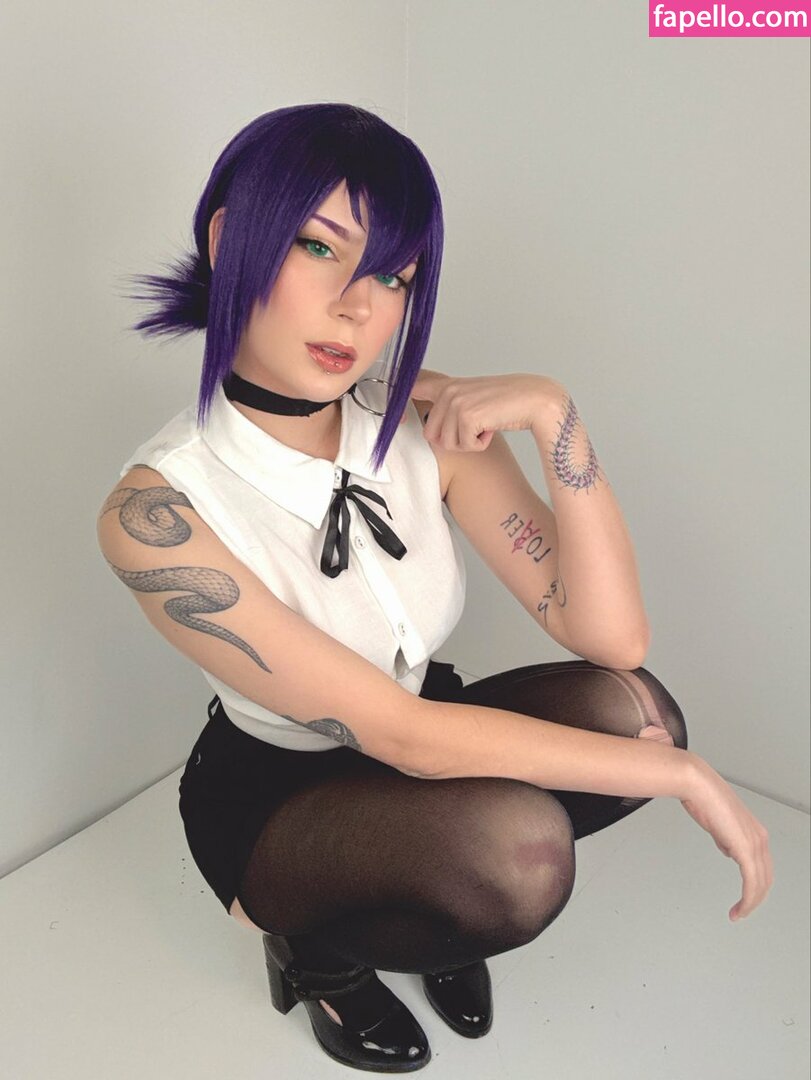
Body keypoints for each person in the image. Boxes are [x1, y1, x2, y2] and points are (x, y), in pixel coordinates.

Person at [96, 103, 773, 1073]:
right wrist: (686, 777)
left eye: (393, 276)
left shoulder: (413, 419)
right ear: (227, 237)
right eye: (317, 247)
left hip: (423, 729)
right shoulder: (156, 512)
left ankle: (427, 907)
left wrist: (555, 415)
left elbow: (611, 640)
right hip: (282, 796)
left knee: (636, 713)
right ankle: (323, 954)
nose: (358, 307)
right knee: (517, 859)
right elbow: (400, 735)